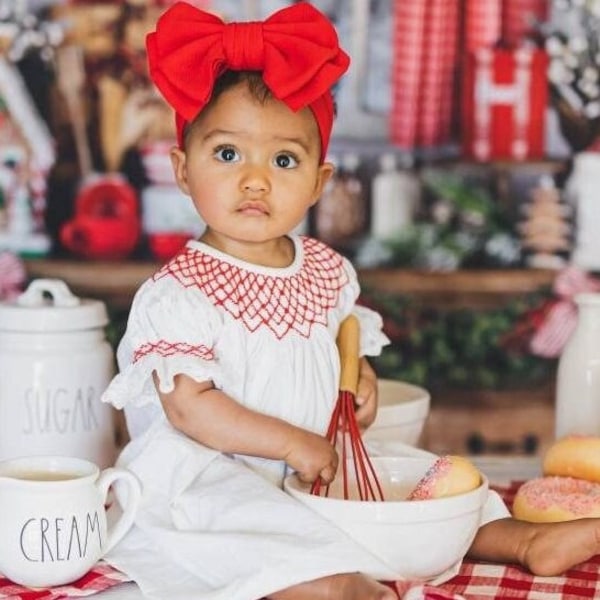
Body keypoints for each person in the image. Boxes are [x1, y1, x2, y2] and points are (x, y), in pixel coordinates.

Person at [101, 3, 600, 600]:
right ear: (183, 169)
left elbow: (341, 344)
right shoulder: (176, 292)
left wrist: (357, 380)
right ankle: (328, 582)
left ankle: (515, 538)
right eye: (228, 154)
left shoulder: (326, 271)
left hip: (315, 459)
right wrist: (290, 443)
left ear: (319, 179)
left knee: (414, 481)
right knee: (244, 522)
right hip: (211, 471)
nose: (255, 179)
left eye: (283, 159)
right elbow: (191, 410)